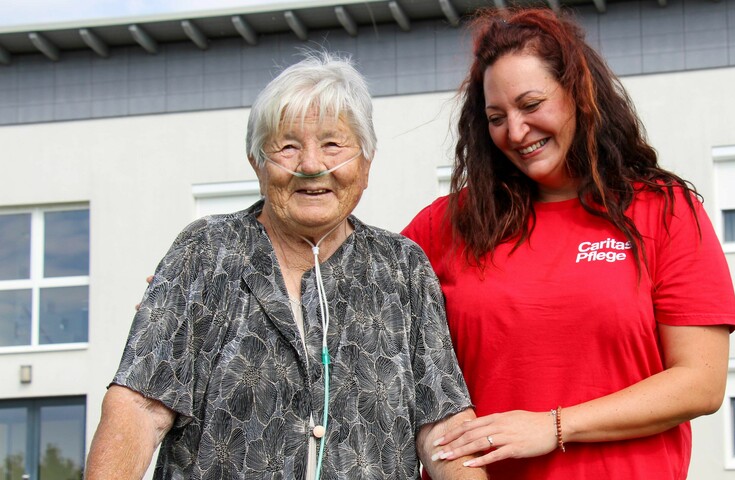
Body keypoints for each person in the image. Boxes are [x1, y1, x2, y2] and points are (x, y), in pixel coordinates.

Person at [86, 51, 486, 480]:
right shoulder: (205, 253)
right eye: (287, 146)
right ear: (257, 163)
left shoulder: (402, 269)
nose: (312, 165)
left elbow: (444, 428)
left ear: (366, 164)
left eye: (334, 144)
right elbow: (140, 407)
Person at [403, 8, 735, 479]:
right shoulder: (446, 225)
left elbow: (700, 382)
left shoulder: (665, 212)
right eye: (496, 117)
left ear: (579, 95)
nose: (515, 132)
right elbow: (375, 347)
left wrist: (555, 426)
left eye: (531, 104)